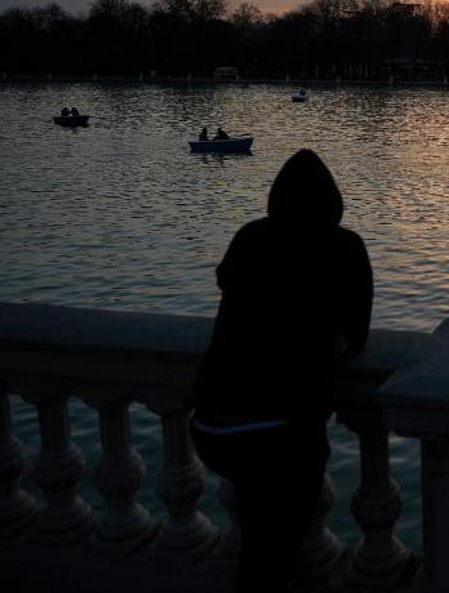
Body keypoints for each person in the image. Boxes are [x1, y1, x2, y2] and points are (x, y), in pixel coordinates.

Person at [191, 149, 372, 592]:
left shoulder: (250, 237)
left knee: (260, 540)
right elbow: (357, 338)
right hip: (279, 431)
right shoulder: (345, 247)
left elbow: (226, 279)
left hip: (211, 423)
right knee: (271, 558)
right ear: (333, 201)